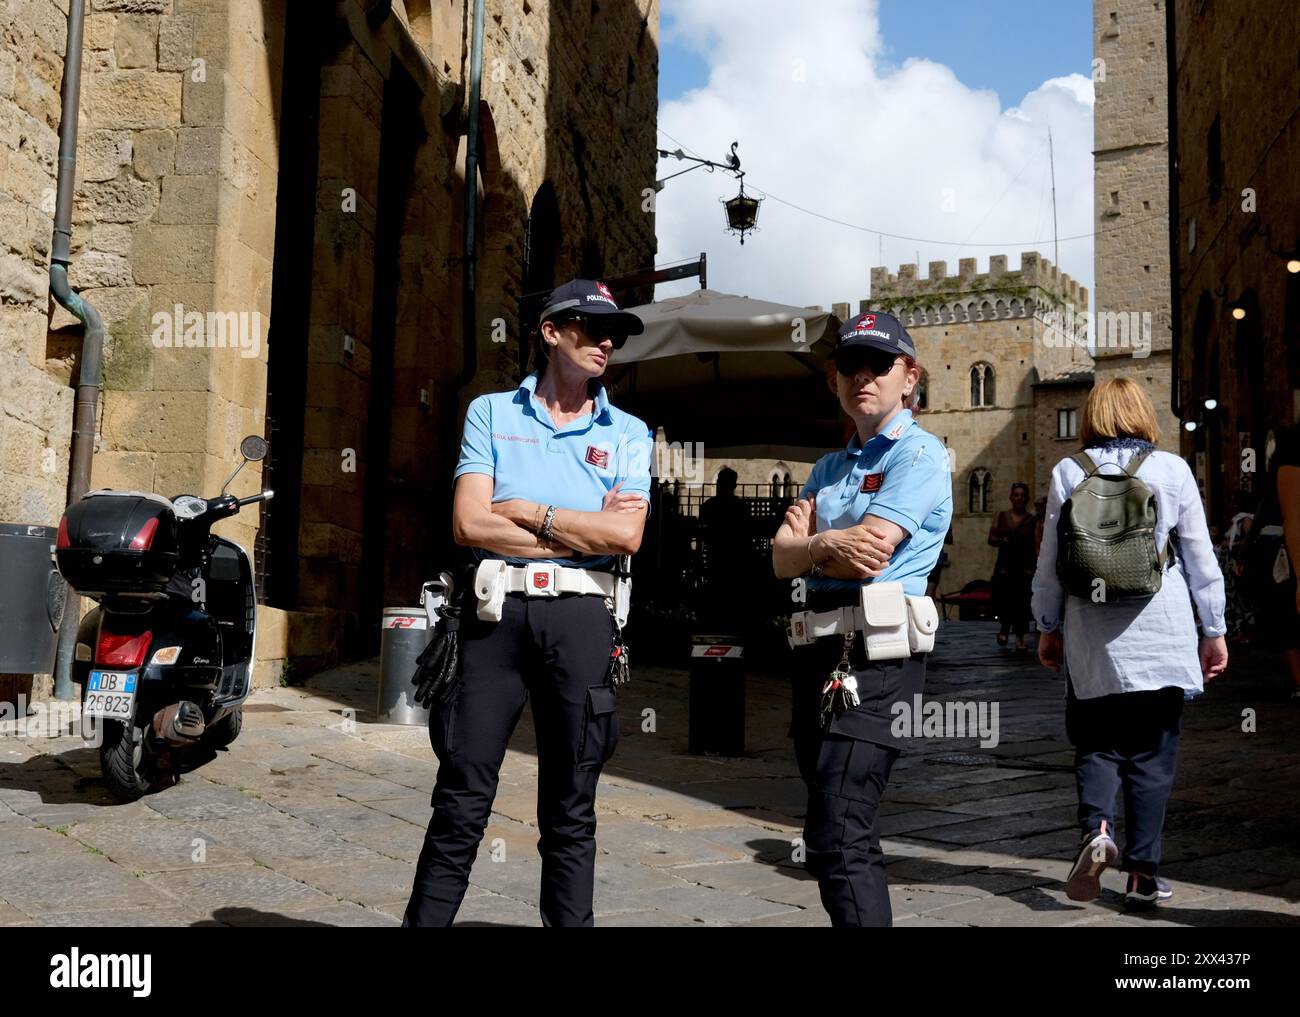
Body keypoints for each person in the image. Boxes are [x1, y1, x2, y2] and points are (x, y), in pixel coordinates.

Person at [404, 279, 652, 927]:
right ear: (550, 331)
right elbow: (468, 523)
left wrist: (529, 511)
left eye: (616, 333)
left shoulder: (628, 433)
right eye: (592, 327)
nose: (607, 341)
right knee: (460, 800)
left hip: (583, 624)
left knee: (571, 810)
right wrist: (576, 531)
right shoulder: (492, 412)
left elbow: (626, 535)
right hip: (495, 620)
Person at [772, 310, 952, 927]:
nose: (863, 376)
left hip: (881, 660)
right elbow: (778, 559)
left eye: (880, 364)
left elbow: (871, 553)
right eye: (851, 364)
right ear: (834, 378)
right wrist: (824, 549)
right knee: (841, 834)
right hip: (818, 657)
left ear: (910, 377)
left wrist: (813, 546)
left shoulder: (921, 455)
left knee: (836, 834)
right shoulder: (828, 468)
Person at [1032, 378, 1228, 911]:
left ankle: (1096, 829)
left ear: (1093, 415)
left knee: (1096, 743)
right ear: (1144, 415)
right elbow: (1200, 559)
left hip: (1091, 635)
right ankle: (1143, 874)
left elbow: (1050, 561)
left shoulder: (1068, 471)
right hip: (1160, 630)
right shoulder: (1172, 470)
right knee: (1153, 757)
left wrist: (1047, 625)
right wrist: (1213, 630)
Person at [1240, 426, 1300, 698]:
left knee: (1286, 619)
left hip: (1276, 550)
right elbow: (1293, 518)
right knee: (1287, 617)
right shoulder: (1292, 449)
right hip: (1282, 554)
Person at [988, 482, 1036, 650]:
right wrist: (1003, 540)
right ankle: (1004, 629)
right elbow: (991, 538)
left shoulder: (1031, 520)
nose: (1019, 498)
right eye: (1016, 495)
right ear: (1011, 497)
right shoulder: (1001, 516)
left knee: (1023, 602)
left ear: (1027, 498)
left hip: (1024, 567)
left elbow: (1036, 543)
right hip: (1005, 566)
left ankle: (1020, 637)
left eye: (1022, 495)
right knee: (1005, 600)